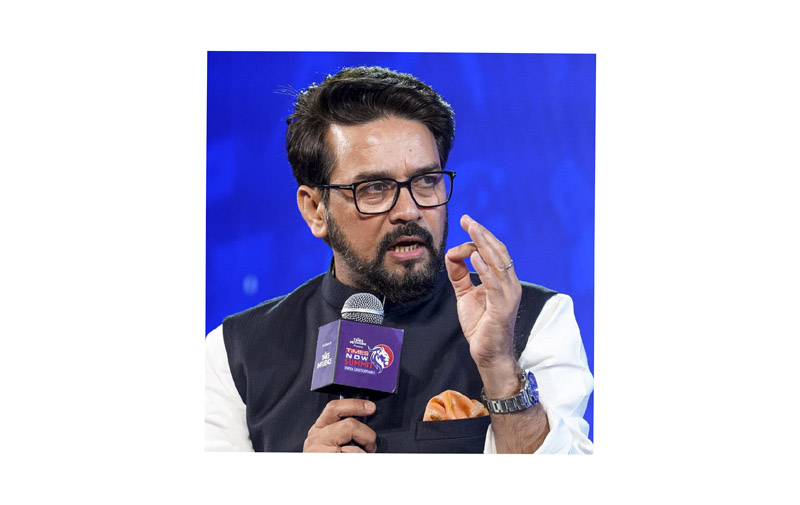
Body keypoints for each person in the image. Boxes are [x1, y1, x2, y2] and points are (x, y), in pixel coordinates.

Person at [205, 66, 593, 453]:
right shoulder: (235, 352)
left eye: (426, 181)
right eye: (374, 187)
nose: (409, 210)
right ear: (315, 210)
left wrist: (500, 370)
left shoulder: (534, 320)